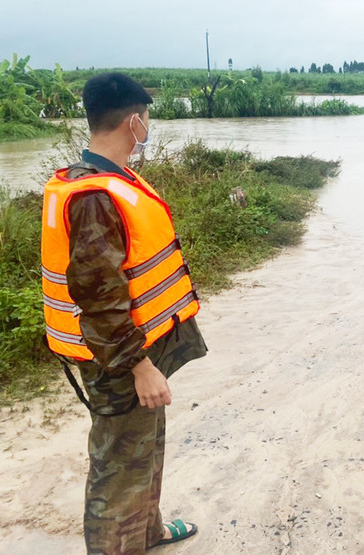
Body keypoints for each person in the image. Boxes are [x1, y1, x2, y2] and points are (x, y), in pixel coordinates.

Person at [41, 73, 207, 553]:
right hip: (118, 359)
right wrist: (141, 367)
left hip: (132, 348)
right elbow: (98, 298)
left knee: (143, 450)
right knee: (119, 468)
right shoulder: (94, 197)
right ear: (134, 121)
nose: (148, 126)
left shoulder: (102, 178)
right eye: (147, 118)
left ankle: (146, 531)